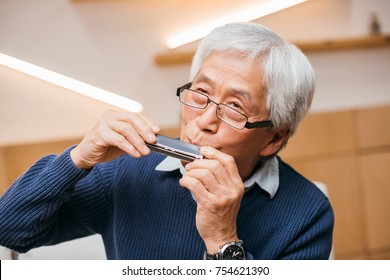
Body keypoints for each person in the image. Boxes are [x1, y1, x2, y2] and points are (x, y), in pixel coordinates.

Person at [0, 22, 334, 260]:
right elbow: (9, 229)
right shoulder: (126, 169)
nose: (203, 121)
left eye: (234, 108)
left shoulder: (308, 214)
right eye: (200, 94)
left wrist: (223, 240)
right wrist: (77, 160)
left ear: (274, 137)